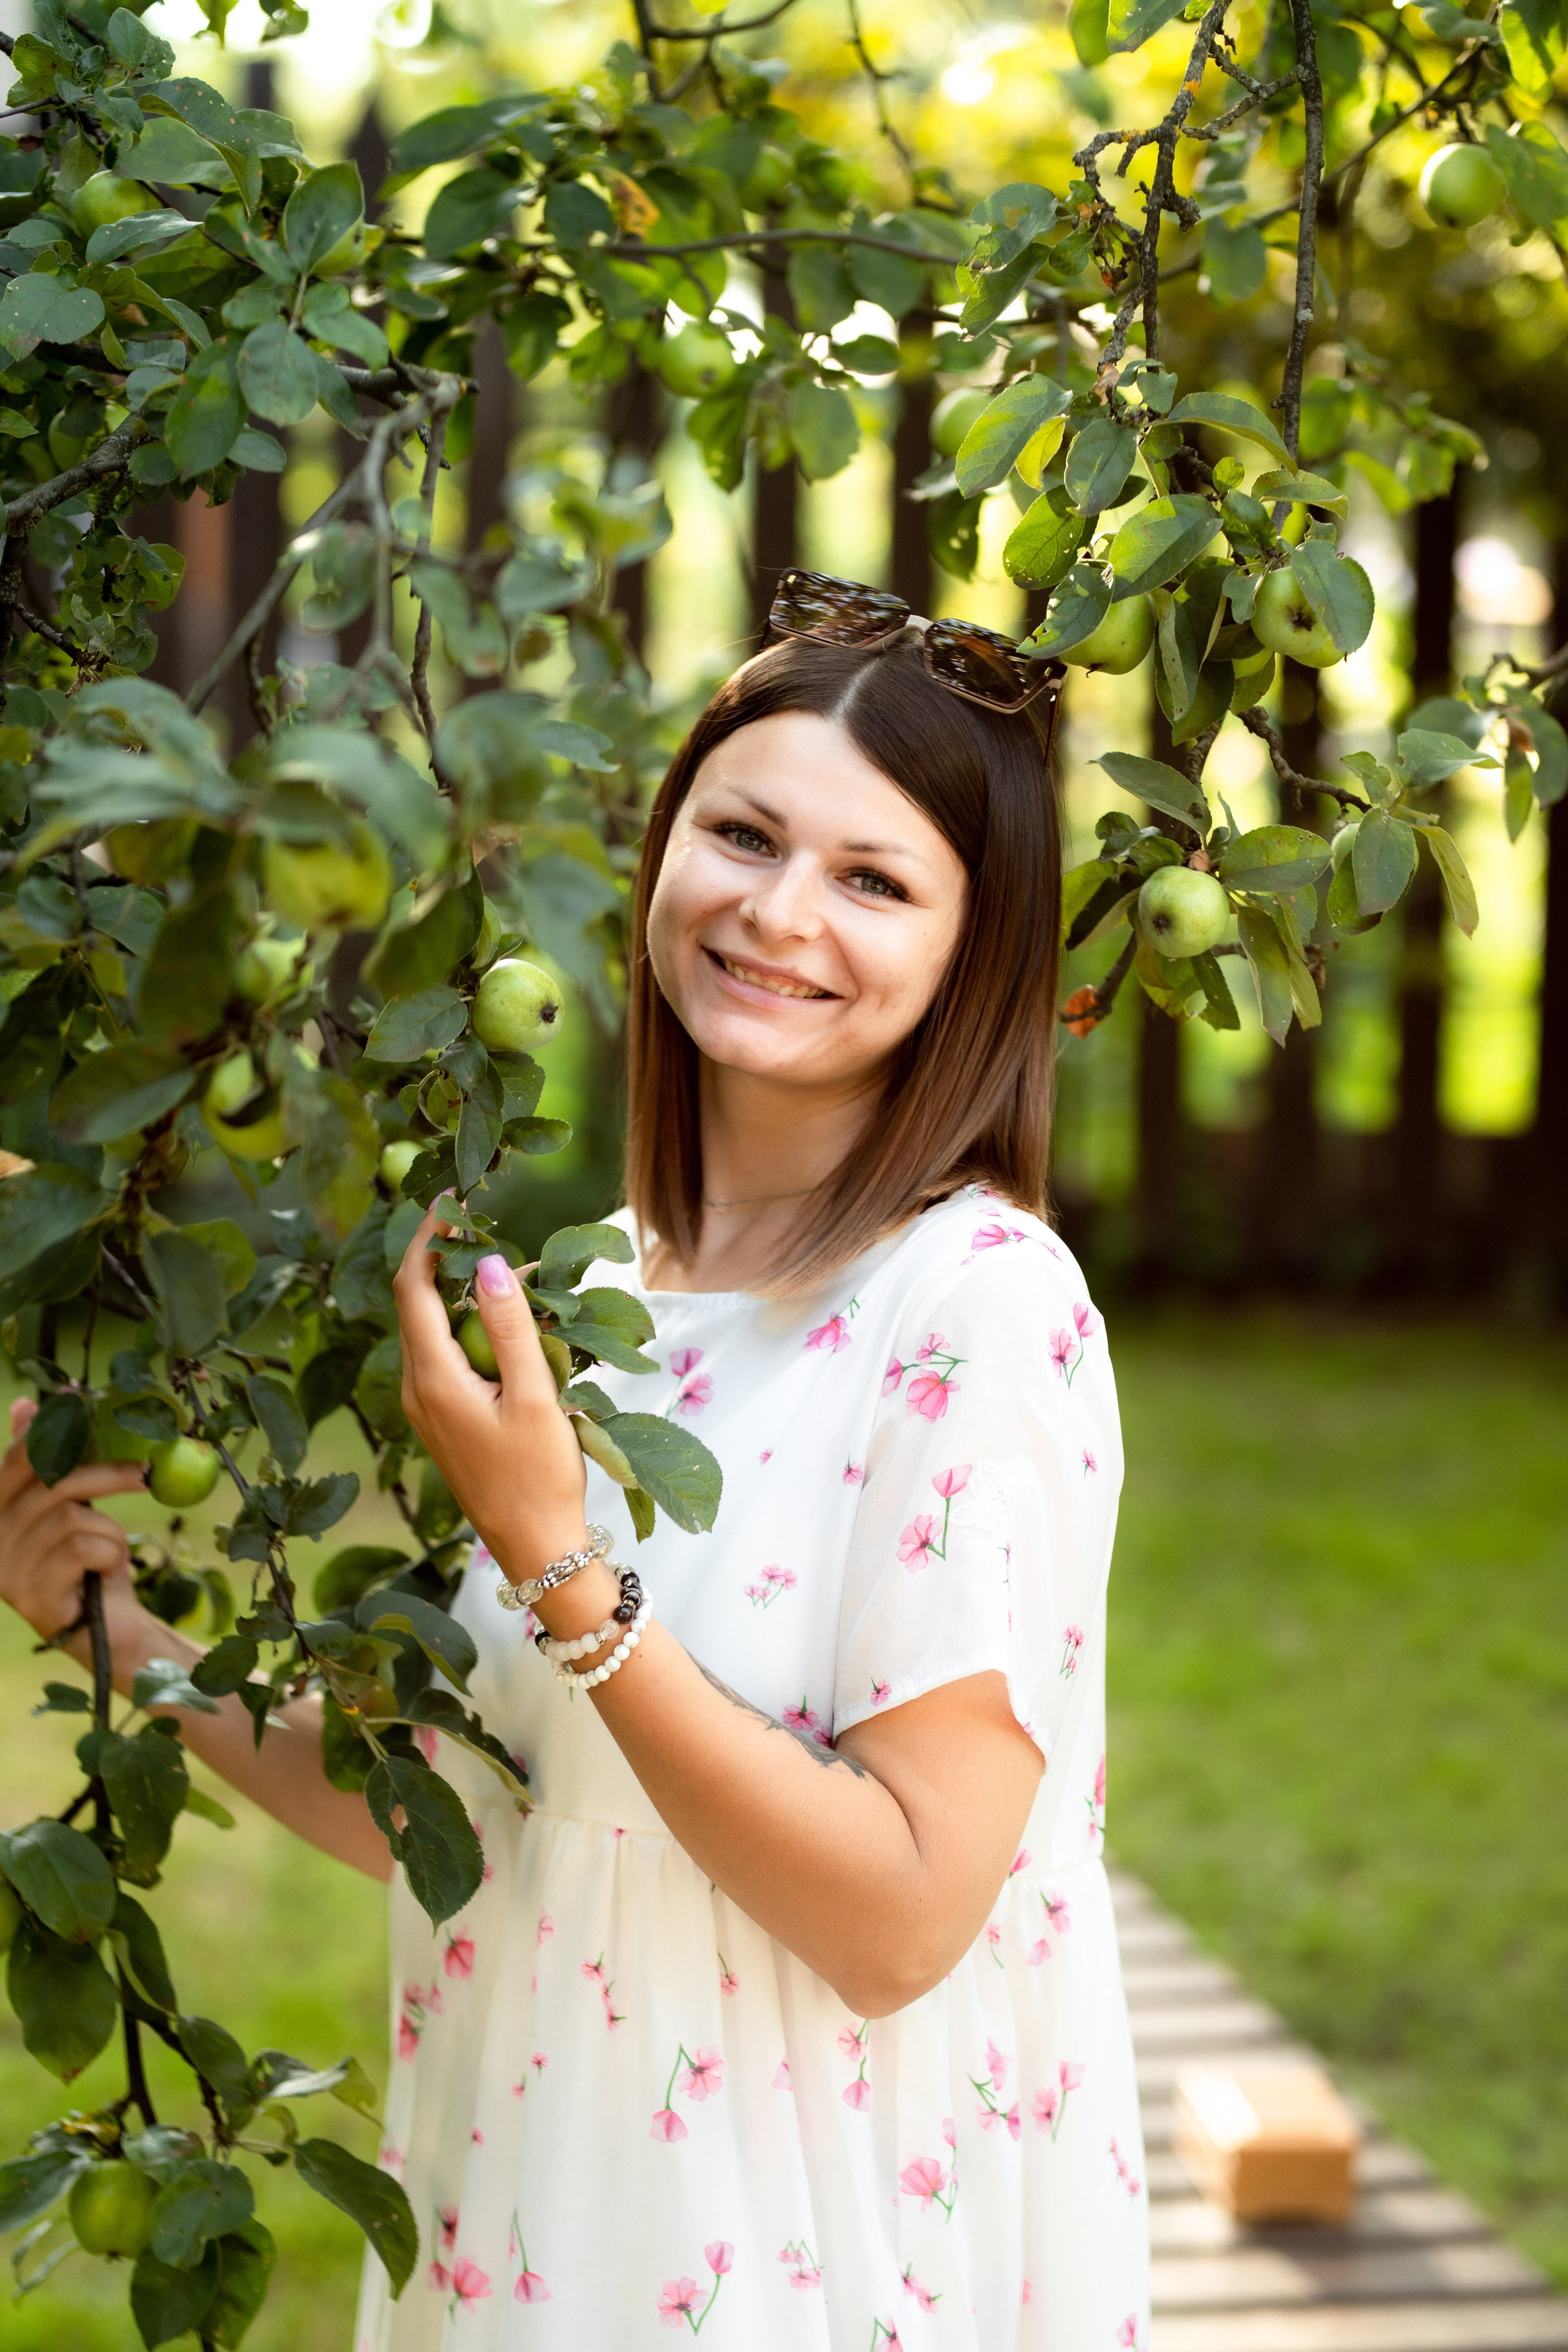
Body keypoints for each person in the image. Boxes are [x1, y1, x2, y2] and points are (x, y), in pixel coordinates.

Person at [0, 578, 1150, 2350]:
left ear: (971, 950)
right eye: (744, 833)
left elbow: (907, 1919)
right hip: (539, 2228)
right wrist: (118, 1629)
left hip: (796, 2262)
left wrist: (563, 1574)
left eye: (872, 878)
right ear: (658, 851)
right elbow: (486, 1824)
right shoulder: (599, 1296)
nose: (778, 913)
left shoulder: (979, 1308)